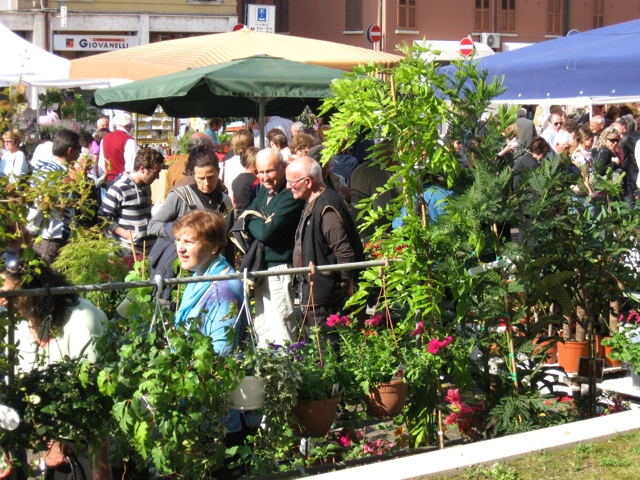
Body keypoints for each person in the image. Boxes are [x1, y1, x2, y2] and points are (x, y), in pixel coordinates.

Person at [2, 252, 110, 479]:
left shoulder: (83, 321)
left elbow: (97, 401)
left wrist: (101, 472)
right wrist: (46, 439)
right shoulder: (16, 323)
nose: (1, 300)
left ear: (34, 291)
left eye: (8, 294)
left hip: (86, 436)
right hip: (44, 433)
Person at [286, 156, 364, 341]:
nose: (288, 186)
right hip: (315, 295)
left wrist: (346, 285)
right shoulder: (314, 200)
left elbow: (344, 251)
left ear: (308, 182)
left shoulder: (327, 205)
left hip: (326, 299)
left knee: (327, 353)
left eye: (292, 182)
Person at [148, 145, 233, 300]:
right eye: (201, 178)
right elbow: (153, 226)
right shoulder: (180, 196)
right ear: (193, 175)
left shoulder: (225, 201)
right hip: (181, 270)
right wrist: (180, 234)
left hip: (213, 273)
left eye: (211, 177)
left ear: (218, 173)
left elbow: (227, 240)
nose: (206, 183)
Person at [244, 148, 304, 347]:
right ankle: (266, 370)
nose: (264, 177)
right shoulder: (262, 189)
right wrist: (255, 218)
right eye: (260, 172)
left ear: (283, 167)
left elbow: (265, 233)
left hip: (280, 267)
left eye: (270, 171)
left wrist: (253, 218)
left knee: (281, 324)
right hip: (262, 266)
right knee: (262, 324)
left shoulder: (290, 194)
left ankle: (286, 371)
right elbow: (247, 214)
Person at [28, 129, 82, 265]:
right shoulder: (49, 170)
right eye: (79, 149)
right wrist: (30, 231)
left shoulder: (58, 169)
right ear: (70, 150)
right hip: (50, 239)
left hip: (60, 237)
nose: (81, 153)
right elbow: (40, 203)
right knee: (48, 279)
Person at [100, 148, 164, 254]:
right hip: (128, 250)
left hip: (148, 249)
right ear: (142, 169)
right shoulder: (118, 189)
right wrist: (125, 233)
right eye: (155, 173)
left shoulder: (146, 186)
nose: (157, 177)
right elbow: (102, 217)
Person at [512, 137, 551, 245]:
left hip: (518, 201)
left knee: (517, 232)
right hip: (528, 203)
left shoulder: (522, 159)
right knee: (529, 235)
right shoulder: (533, 164)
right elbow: (536, 187)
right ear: (540, 152)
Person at [164, 132, 214, 197]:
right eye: (212, 148)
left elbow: (166, 197)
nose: (214, 151)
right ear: (204, 149)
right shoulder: (207, 166)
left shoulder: (174, 167)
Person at [98, 112, 138, 189]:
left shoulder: (105, 138)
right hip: (123, 181)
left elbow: (101, 164)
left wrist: (103, 177)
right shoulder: (129, 140)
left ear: (116, 125)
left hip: (107, 179)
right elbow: (131, 166)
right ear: (130, 125)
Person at [220, 129, 254, 199]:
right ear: (251, 144)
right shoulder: (255, 164)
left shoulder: (222, 165)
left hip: (229, 204)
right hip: (251, 203)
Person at [231, 146, 259, 216]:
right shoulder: (256, 181)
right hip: (252, 216)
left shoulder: (235, 180)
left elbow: (234, 204)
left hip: (238, 217)